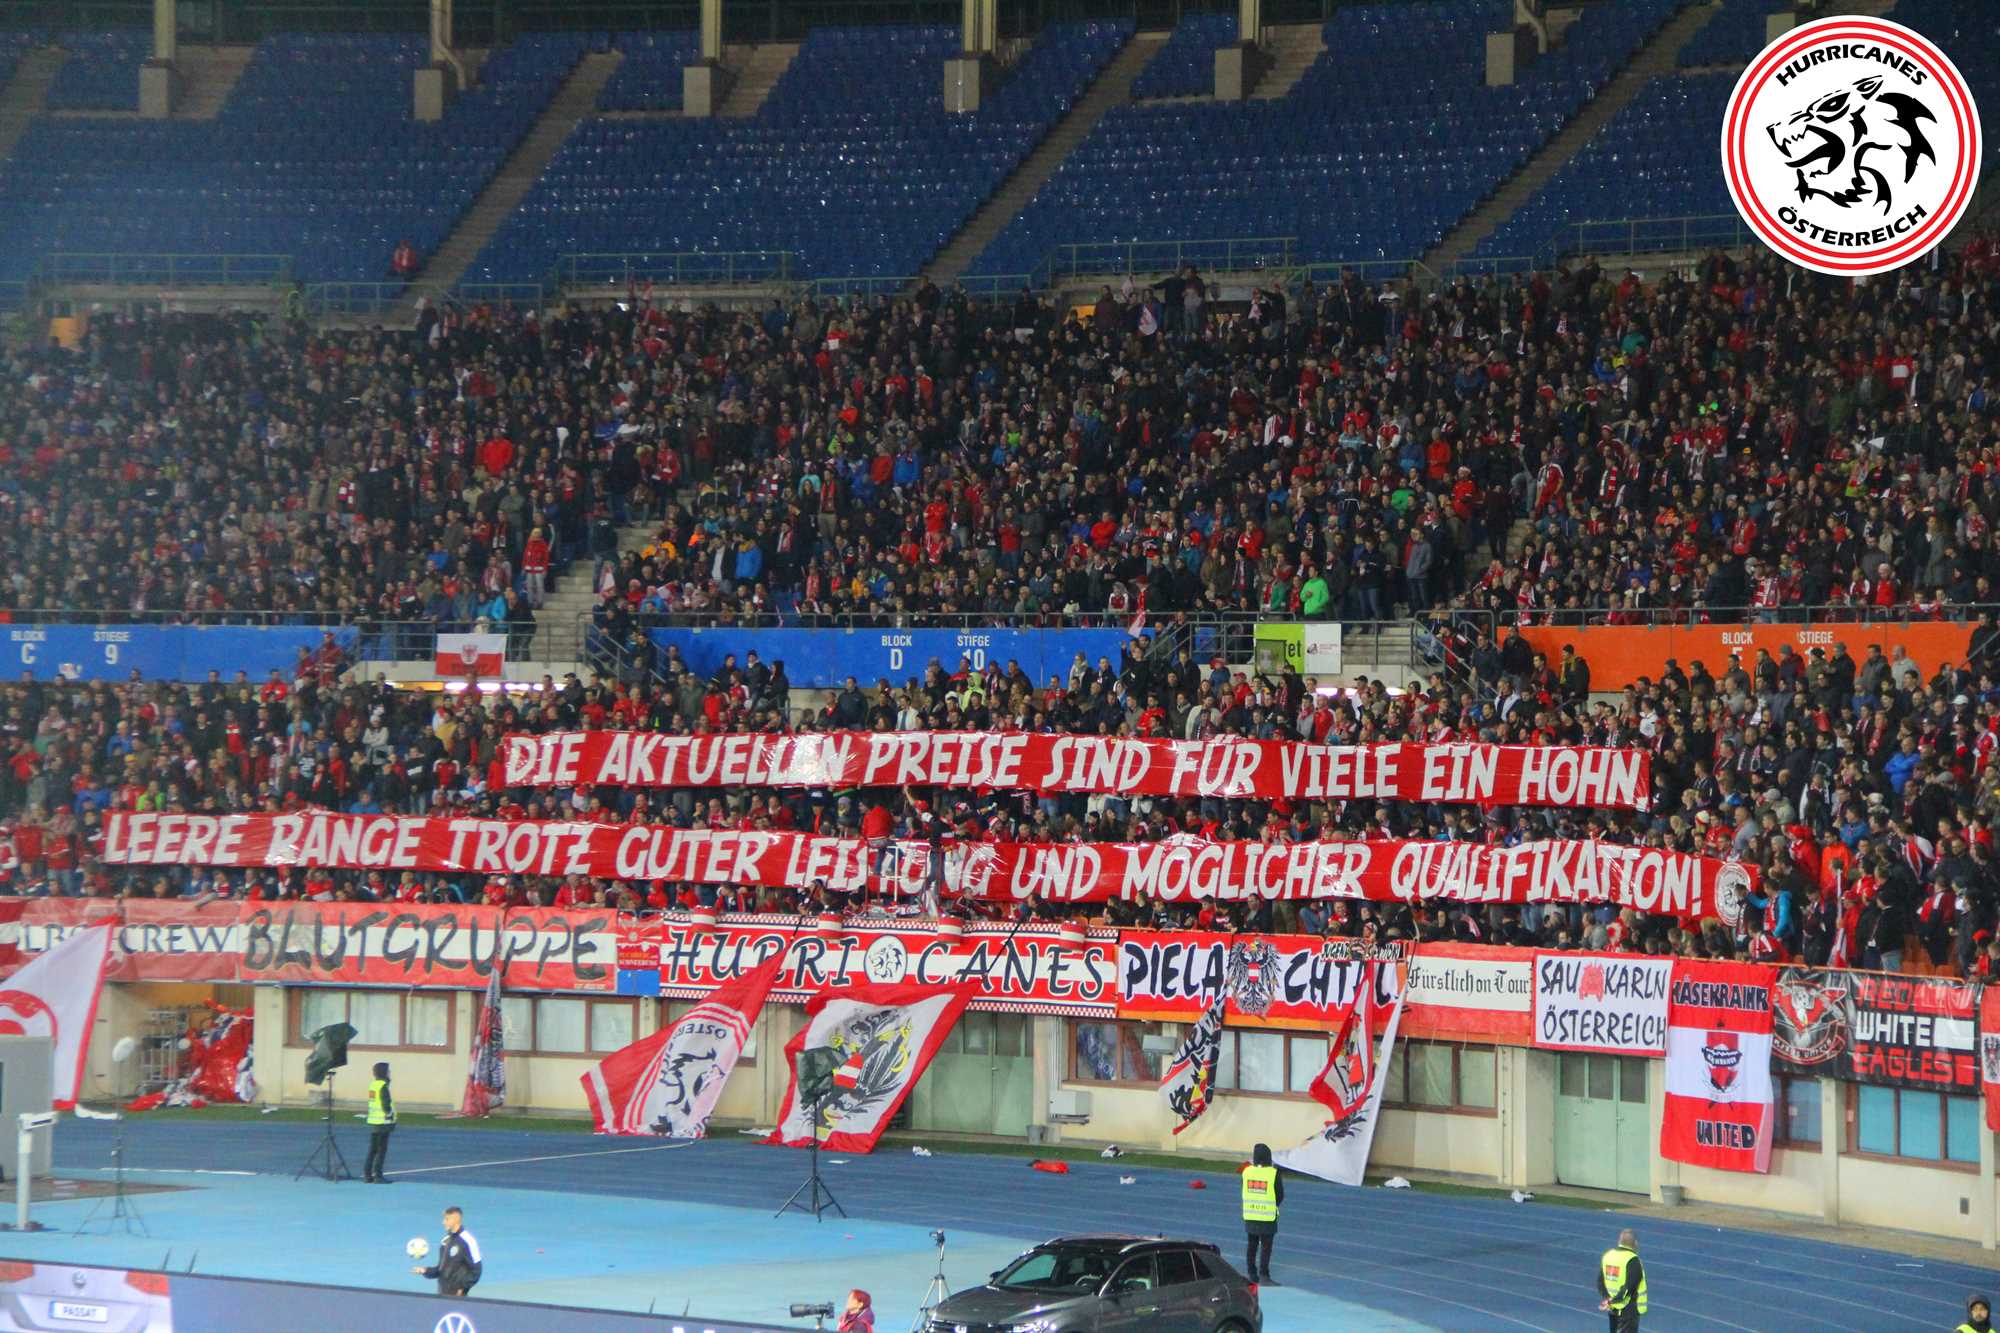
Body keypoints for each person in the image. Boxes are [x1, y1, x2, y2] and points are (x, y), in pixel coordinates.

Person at [412, 1206, 483, 1297]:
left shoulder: (468, 1241)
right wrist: (425, 1271)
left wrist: (462, 1288)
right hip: (442, 1294)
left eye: (447, 1219)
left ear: (456, 1219)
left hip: (457, 1296)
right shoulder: (445, 1241)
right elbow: (440, 1270)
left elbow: (477, 1270)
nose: (443, 1222)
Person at [1241, 1142, 1282, 1285]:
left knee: (1252, 1244)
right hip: (1267, 1216)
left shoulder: (1247, 1172)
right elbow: (1280, 1195)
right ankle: (1264, 1275)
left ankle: (1251, 1274)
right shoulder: (1273, 1173)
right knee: (1266, 1246)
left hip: (1250, 1215)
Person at [1597, 1228, 1646, 1331]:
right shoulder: (1633, 1260)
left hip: (1612, 1309)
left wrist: (1608, 1299)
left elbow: (1600, 1282)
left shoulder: (1608, 1256)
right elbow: (1629, 1287)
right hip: (1628, 1310)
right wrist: (1613, 1300)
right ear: (1635, 1243)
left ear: (1619, 1241)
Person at [364, 1060, 395, 1184]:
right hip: (383, 1122)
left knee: (372, 1150)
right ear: (384, 1072)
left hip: (374, 1120)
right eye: (388, 1071)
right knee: (381, 1150)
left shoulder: (373, 1085)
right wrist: (390, 1114)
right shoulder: (383, 1086)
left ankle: (367, 1174)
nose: (389, 1073)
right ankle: (378, 1175)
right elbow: (385, 1103)